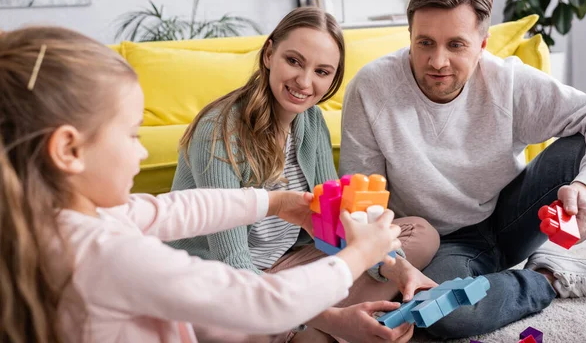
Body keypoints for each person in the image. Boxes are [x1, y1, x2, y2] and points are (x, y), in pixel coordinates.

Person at [0, 25, 407, 343]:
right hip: (248, 298)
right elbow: (263, 303)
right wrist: (357, 255)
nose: (142, 153)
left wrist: (276, 202)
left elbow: (181, 207)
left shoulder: (72, 218)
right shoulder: (107, 254)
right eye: (132, 135)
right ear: (69, 149)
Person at [339, 0, 586, 339]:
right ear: (409, 38)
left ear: (482, 45)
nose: (438, 62)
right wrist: (394, 266)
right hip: (445, 243)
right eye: (425, 43)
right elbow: (361, 211)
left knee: (583, 146)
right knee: (443, 315)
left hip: (515, 215)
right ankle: (549, 277)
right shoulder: (371, 90)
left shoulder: (507, 81)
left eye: (456, 45)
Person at [169, 6, 440, 342]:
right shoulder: (219, 133)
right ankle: (317, 327)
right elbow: (233, 262)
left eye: (322, 71)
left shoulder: (310, 121)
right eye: (294, 61)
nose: (304, 82)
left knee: (419, 234)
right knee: (225, 329)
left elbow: (335, 222)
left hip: (288, 266)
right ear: (269, 54)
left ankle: (309, 327)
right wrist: (333, 318)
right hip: (224, 284)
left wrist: (394, 266)